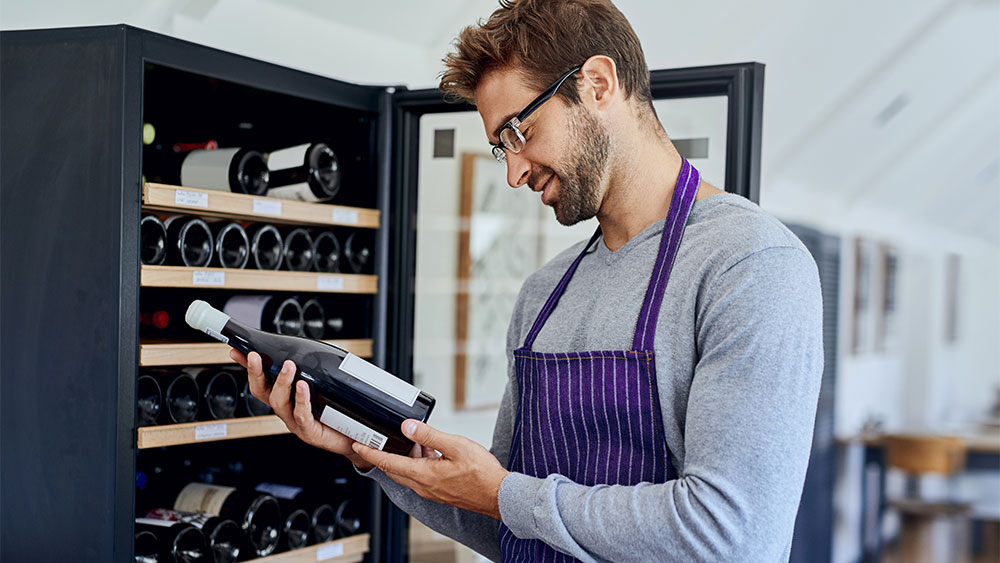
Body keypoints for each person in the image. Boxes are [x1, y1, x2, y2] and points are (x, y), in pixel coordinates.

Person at [233, 0, 823, 560]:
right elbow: (513, 525)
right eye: (500, 148)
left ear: (597, 84)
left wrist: (502, 493)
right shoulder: (546, 292)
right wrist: (371, 451)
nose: (514, 172)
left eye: (519, 131)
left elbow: (730, 536)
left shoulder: (750, 264)